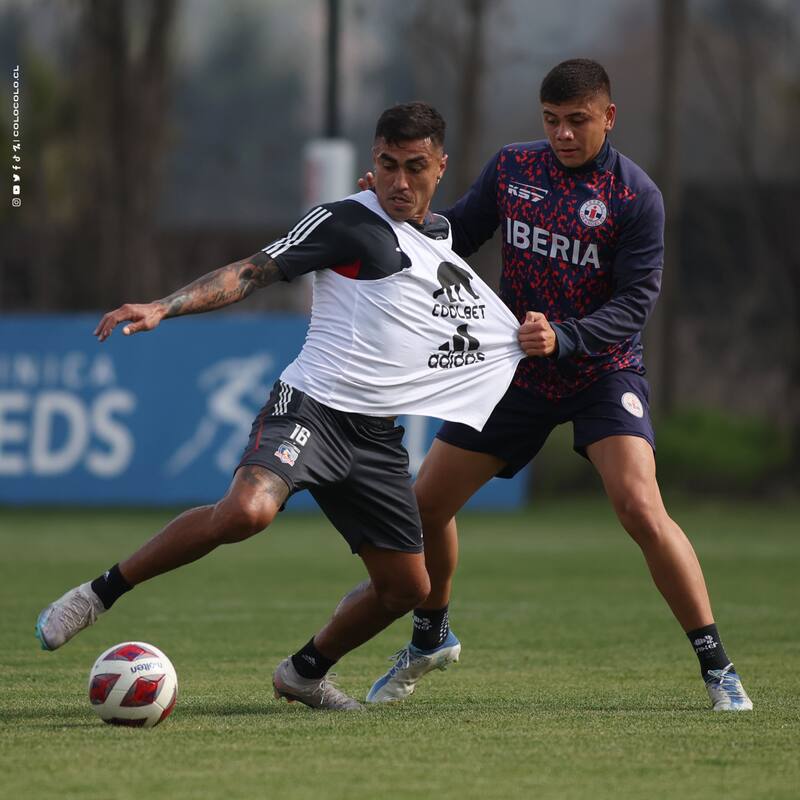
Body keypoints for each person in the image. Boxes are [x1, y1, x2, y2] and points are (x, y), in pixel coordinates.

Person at [35, 102, 525, 711]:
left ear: (440, 167)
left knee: (407, 588)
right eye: (387, 164)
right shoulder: (345, 221)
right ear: (372, 161)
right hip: (311, 410)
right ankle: (97, 594)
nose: (399, 181)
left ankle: (303, 673)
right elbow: (252, 271)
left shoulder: (443, 240)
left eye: (414, 167)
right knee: (246, 513)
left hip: (376, 438)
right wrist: (164, 306)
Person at [365, 60, 752, 712]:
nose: (563, 134)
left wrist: (566, 336)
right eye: (552, 120)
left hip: (602, 370)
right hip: (516, 369)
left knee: (639, 507)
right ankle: (430, 636)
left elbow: (635, 304)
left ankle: (719, 668)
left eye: (577, 120)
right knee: (425, 507)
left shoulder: (635, 196)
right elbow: (457, 233)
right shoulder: (514, 168)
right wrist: (393, 211)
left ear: (609, 117)